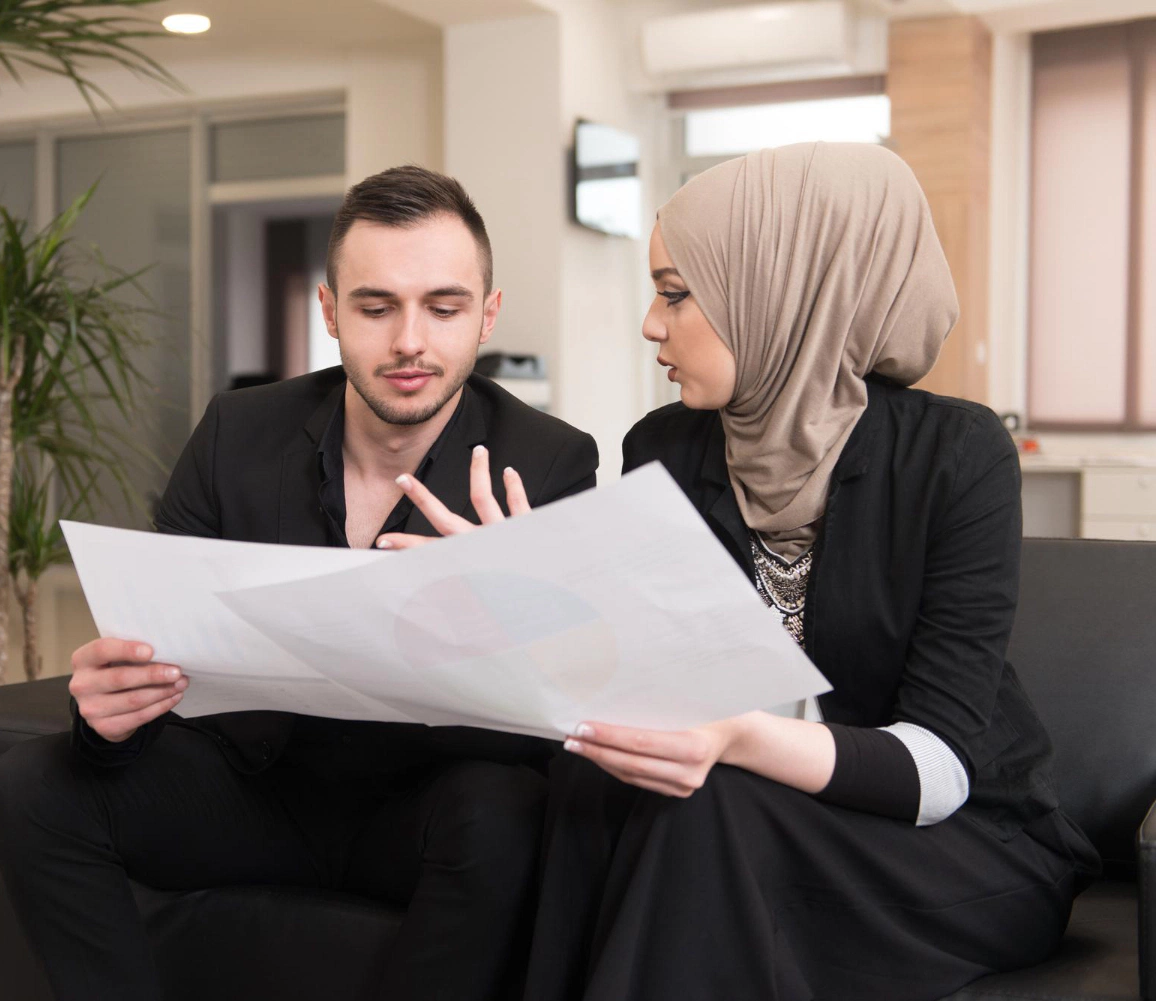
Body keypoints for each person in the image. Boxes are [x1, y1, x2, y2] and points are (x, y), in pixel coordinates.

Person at [380, 142, 1101, 1001]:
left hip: (955, 842)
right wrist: (541, 606)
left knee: (707, 805)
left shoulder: (955, 455)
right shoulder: (666, 448)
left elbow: (937, 771)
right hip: (758, 815)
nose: (651, 322)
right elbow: (658, 677)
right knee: (594, 779)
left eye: (677, 293)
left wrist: (735, 732)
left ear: (784, 293)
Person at [0, 165, 600, 1001]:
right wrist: (104, 711)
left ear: (487, 314)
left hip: (421, 807)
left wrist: (508, 613)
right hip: (254, 786)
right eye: (376, 307)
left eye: (444, 307)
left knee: (504, 812)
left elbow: (574, 710)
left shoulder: (553, 461)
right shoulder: (236, 432)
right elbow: (158, 643)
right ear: (329, 311)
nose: (410, 341)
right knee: (33, 783)